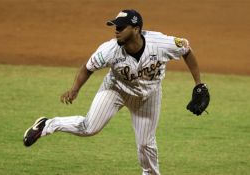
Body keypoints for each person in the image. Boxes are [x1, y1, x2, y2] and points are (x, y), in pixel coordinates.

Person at [23, 9, 203, 175]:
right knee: (89, 128)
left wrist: (199, 85)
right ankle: (48, 125)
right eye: (115, 26)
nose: (116, 30)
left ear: (136, 29)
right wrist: (75, 89)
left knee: (146, 144)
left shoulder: (161, 44)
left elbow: (186, 50)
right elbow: (88, 68)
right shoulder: (109, 50)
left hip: (148, 96)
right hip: (115, 89)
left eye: (121, 27)